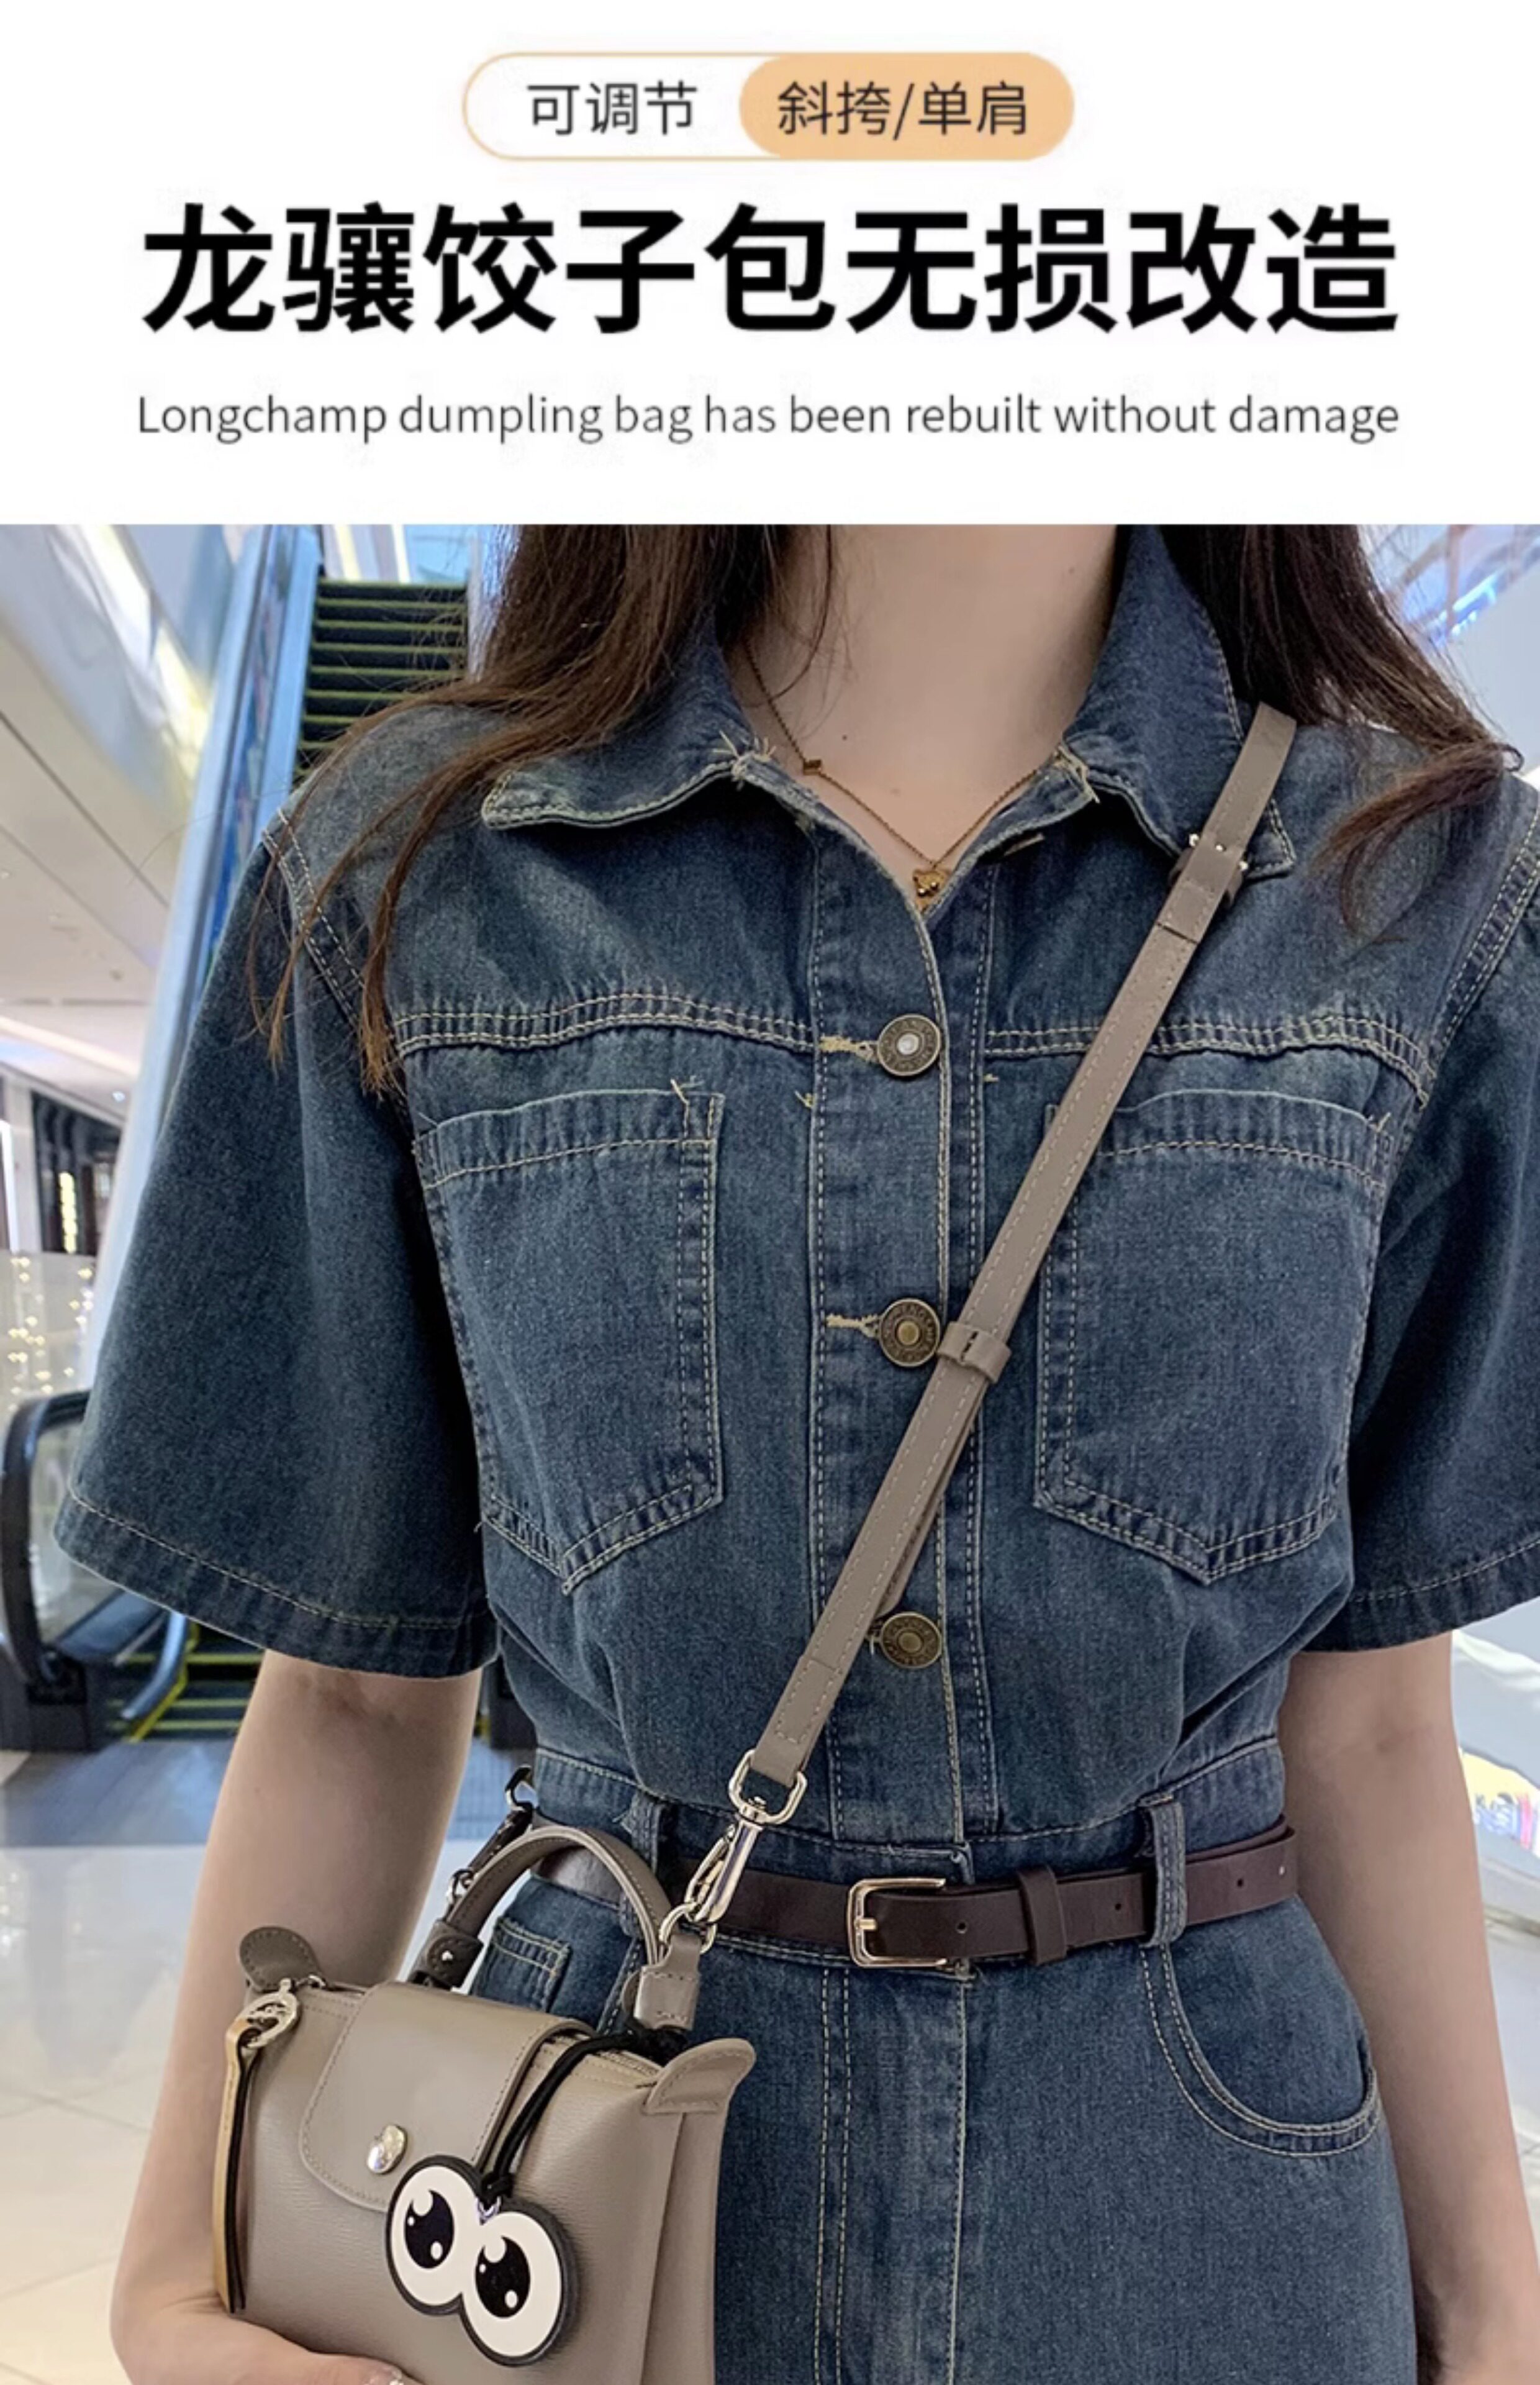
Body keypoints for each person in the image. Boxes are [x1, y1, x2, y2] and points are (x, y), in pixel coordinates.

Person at [55, 525, 1540, 2385]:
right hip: (584, 2188)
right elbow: (356, 1693)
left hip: (1204, 2210)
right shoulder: (418, 869)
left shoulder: (1421, 888)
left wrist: (1495, 2314)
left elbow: (1373, 1719)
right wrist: (177, 2277)